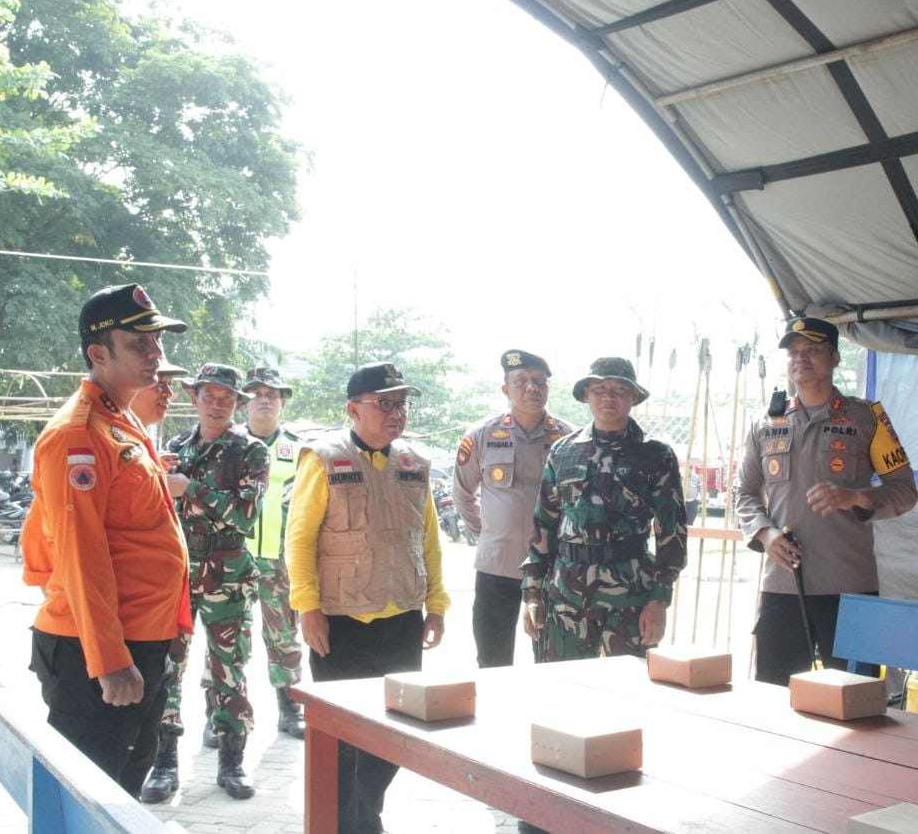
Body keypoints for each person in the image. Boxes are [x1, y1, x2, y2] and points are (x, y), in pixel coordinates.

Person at [21, 283, 191, 796]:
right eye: (140, 344)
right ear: (99, 353)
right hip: (95, 652)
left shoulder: (122, 421)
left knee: (121, 790)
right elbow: (80, 556)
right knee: (83, 802)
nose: (155, 355)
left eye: (158, 343)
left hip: (140, 637)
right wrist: (110, 661)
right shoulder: (79, 434)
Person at [285, 361, 449, 834]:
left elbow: (429, 539)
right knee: (340, 740)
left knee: (391, 737)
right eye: (385, 403)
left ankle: (364, 816)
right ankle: (343, 825)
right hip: (340, 624)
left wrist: (436, 604)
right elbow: (298, 540)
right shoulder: (322, 459)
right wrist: (308, 609)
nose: (396, 412)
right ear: (353, 409)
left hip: (401, 622)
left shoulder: (413, 464)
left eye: (401, 403)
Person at [735, 317, 918, 685]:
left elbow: (904, 491)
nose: (800, 359)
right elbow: (744, 493)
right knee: (774, 698)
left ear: (834, 357)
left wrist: (855, 497)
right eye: (794, 353)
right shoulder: (765, 423)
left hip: (850, 588)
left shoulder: (868, 419)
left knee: (852, 706)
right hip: (783, 587)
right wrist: (766, 535)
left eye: (812, 351)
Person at [141, 363, 268, 802]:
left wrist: (189, 487)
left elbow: (246, 515)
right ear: (194, 398)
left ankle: (232, 762)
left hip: (228, 574)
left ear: (237, 405)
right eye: (209, 395)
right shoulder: (175, 446)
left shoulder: (250, 451)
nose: (216, 404)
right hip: (176, 573)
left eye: (226, 398)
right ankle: (163, 762)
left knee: (228, 671)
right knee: (168, 666)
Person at [522, 357, 687, 662]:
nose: (608, 397)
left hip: (630, 594)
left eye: (619, 389)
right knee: (563, 688)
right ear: (586, 394)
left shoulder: (656, 455)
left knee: (628, 692)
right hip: (566, 595)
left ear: (633, 397)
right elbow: (543, 526)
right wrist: (533, 594)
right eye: (599, 388)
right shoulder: (563, 451)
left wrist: (659, 602)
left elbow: (672, 534)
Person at [452, 349, 573, 667]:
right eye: (521, 381)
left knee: (552, 656)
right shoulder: (482, 436)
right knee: (492, 660)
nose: (531, 387)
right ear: (505, 390)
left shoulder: (569, 439)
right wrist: (489, 533)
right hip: (497, 567)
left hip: (552, 569)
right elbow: (463, 493)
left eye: (539, 381)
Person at [237, 367, 306, 738]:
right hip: (232, 559)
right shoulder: (227, 445)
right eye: (256, 393)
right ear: (244, 402)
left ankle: (290, 705)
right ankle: (222, 711)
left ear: (282, 402)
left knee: (284, 636)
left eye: (272, 393)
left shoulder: (298, 449)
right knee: (229, 638)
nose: (264, 399)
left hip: (280, 559)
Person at [129, 359, 189, 428]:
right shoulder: (115, 435)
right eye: (159, 382)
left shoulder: (136, 435)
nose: (169, 393)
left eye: (170, 383)